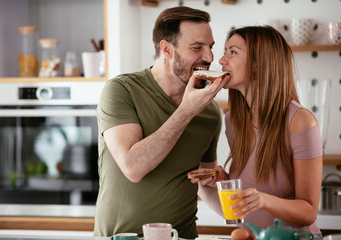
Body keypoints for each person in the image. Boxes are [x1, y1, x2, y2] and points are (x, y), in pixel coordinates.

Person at [93, 6, 230, 238]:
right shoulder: (122, 90)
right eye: (197, 47)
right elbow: (133, 167)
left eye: (210, 47)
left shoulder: (209, 112)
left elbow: (204, 185)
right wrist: (186, 111)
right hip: (121, 237)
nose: (209, 57)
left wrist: (244, 207)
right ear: (167, 49)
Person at [188, 26, 323, 239]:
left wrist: (264, 200)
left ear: (258, 65)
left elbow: (308, 211)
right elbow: (238, 209)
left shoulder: (300, 121)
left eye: (232, 52)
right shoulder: (234, 121)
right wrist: (223, 184)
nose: (221, 60)